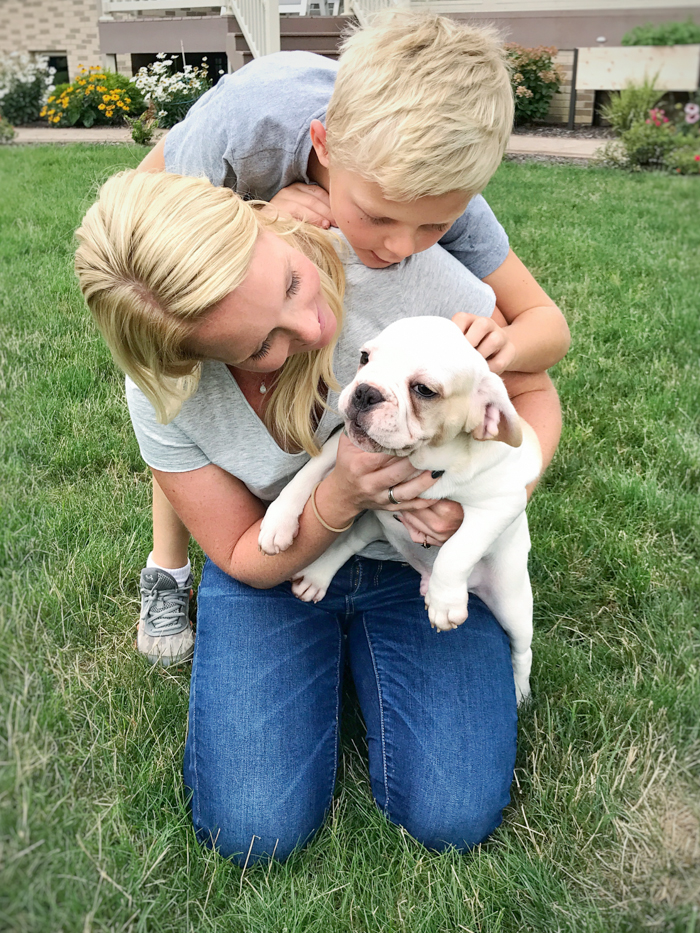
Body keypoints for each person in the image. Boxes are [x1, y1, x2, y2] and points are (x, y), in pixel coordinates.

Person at [76, 168, 522, 864]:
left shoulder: (402, 275)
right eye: (259, 347)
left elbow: (527, 396)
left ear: (260, 220)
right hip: (276, 569)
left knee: (452, 814)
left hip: (420, 566)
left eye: (289, 282)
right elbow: (243, 551)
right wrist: (341, 495)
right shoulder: (164, 392)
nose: (313, 326)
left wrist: (491, 506)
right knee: (254, 829)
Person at [134, 11, 570, 666]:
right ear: (325, 146)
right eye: (379, 217)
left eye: (433, 228)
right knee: (173, 364)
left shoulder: (438, 185)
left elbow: (546, 325)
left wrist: (497, 497)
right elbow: (154, 229)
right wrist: (257, 219)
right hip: (193, 188)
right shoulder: (247, 128)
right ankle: (167, 564)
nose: (401, 247)